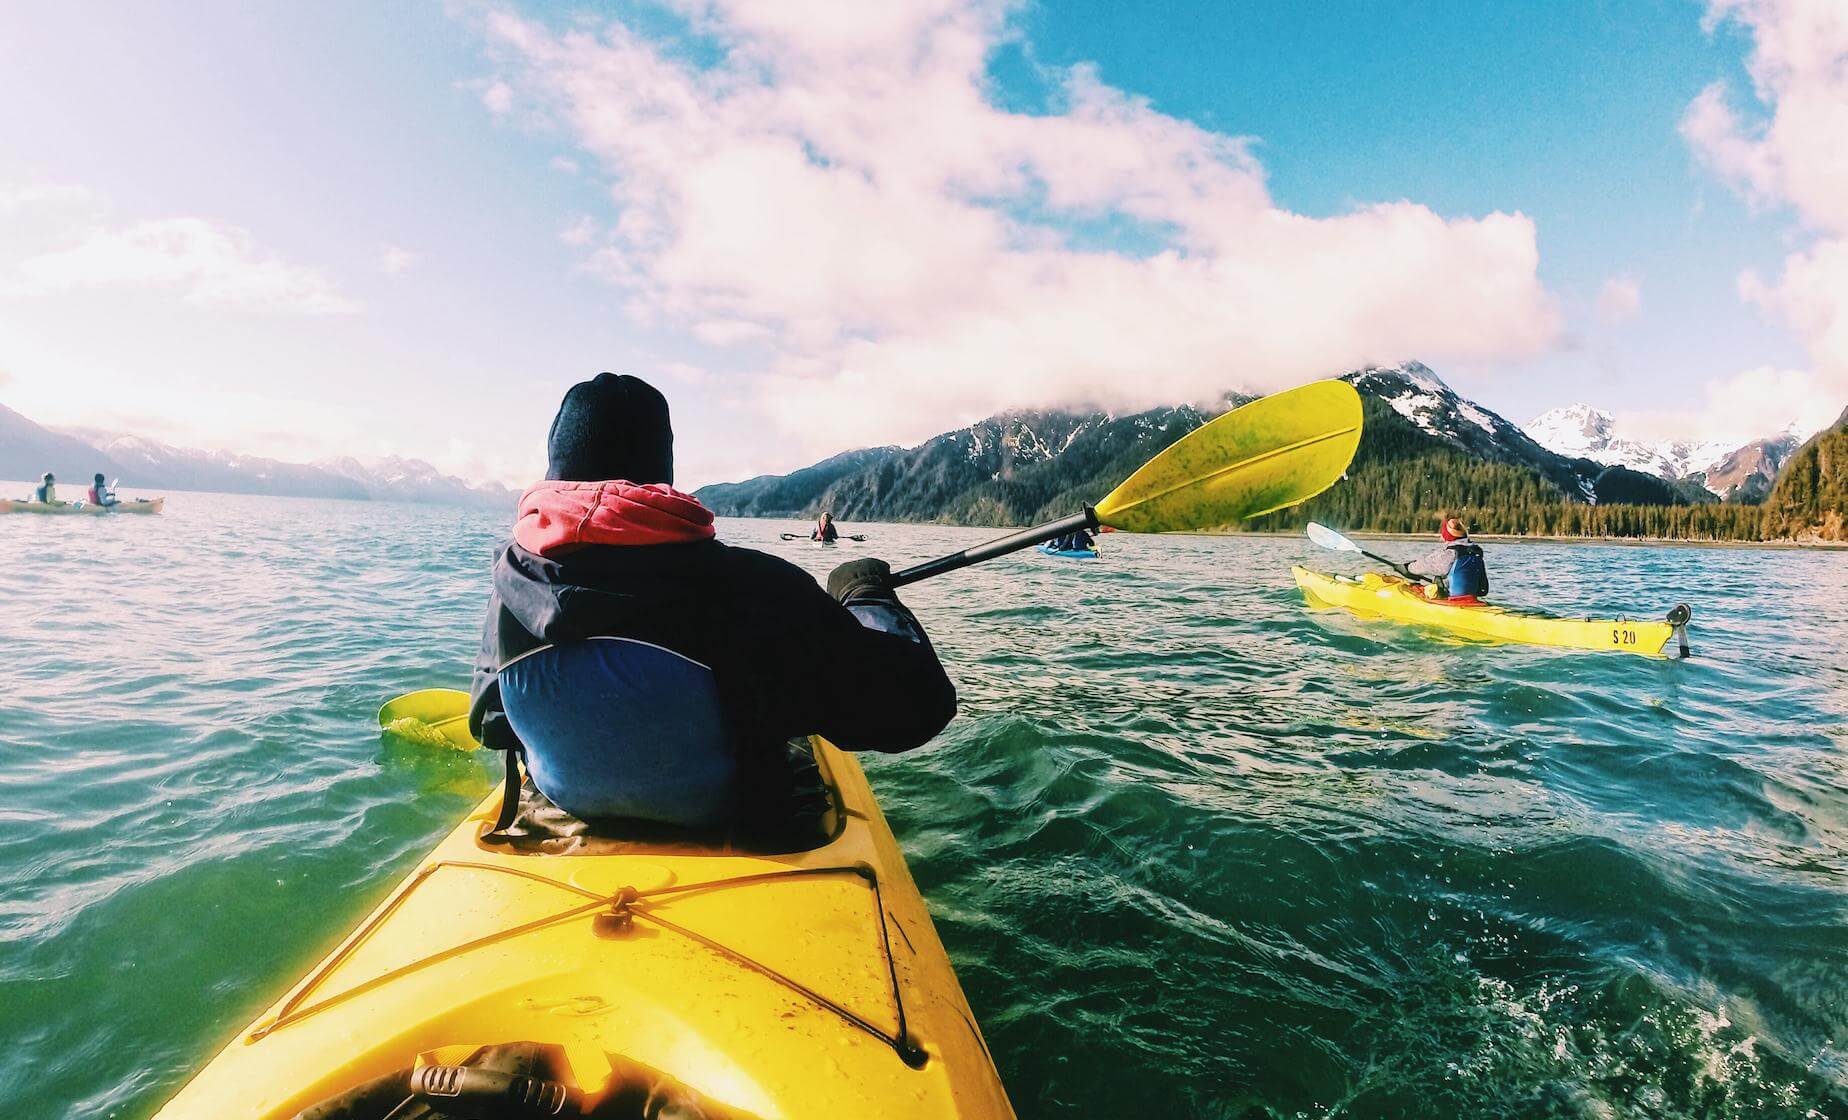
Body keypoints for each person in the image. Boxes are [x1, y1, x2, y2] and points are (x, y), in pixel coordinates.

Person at [469, 373, 955, 833]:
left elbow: (491, 723)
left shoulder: (509, 581)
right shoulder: (755, 586)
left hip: (569, 808)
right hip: (739, 822)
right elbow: (918, 707)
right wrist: (863, 593)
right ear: (662, 471)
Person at [1406, 516, 1489, 601]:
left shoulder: (1448, 554)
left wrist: (1407, 567)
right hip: (1471, 599)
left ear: (1446, 535)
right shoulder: (1475, 552)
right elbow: (1483, 590)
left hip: (1450, 599)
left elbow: (1423, 566)